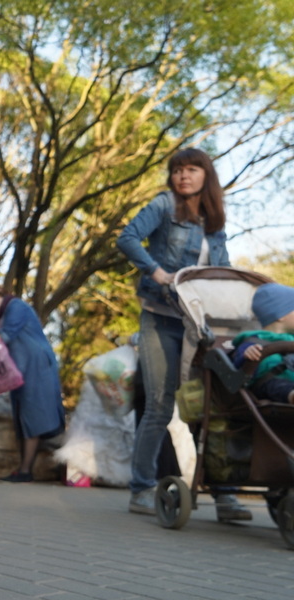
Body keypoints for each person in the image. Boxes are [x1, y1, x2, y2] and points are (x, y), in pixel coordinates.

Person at [117, 147, 252, 520]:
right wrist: (157, 272)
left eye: (191, 169)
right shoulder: (164, 205)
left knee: (209, 405)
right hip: (160, 319)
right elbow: (127, 238)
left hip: (201, 327)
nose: (183, 176)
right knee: (160, 405)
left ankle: (225, 494)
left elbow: (220, 272)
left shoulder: (214, 220)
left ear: (206, 175)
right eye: (177, 170)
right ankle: (142, 488)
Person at [0, 285, 65, 483]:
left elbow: (4, 337)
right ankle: (23, 469)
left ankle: (26, 470)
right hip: (19, 371)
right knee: (22, 416)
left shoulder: (16, 307)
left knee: (33, 416)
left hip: (36, 368)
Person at [231, 283, 294, 404]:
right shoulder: (254, 339)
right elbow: (238, 365)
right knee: (278, 386)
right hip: (269, 382)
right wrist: (248, 354)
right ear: (280, 316)